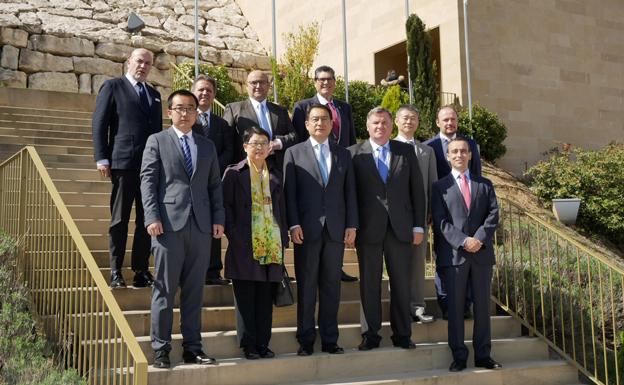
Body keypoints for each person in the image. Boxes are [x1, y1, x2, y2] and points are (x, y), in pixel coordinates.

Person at [140, 90, 225, 368]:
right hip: (167, 226)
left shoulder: (207, 145)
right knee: (164, 289)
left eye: (190, 108)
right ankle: (161, 349)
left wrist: (218, 218)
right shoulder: (157, 141)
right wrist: (151, 216)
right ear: (170, 112)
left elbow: (214, 186)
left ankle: (193, 347)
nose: (185, 113)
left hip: (200, 226)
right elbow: (148, 182)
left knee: (194, 291)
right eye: (179, 108)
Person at [283, 103, 358, 356]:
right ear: (306, 124)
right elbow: (289, 194)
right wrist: (293, 224)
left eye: (324, 119)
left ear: (331, 123)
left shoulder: (343, 154)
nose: (319, 123)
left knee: (331, 287)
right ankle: (305, 340)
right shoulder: (293, 153)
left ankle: (329, 339)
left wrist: (351, 225)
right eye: (314, 119)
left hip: (336, 230)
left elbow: (350, 194)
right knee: (306, 287)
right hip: (306, 230)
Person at [349, 107, 425, 351]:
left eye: (384, 123)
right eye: (375, 123)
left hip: (401, 228)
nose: (380, 127)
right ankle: (371, 334)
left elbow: (417, 191)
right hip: (368, 230)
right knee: (369, 284)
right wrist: (352, 225)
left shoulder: (406, 151)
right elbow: (350, 195)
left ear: (392, 127)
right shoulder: (353, 153)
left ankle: (402, 334)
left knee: (401, 284)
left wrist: (418, 226)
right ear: (367, 127)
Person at [92, 48, 162, 289]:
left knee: (147, 218)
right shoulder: (113, 86)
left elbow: (157, 133)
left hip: (150, 168)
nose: (143, 66)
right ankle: (115, 270)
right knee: (119, 219)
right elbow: (100, 124)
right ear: (129, 62)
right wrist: (102, 157)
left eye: (147, 63)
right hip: (123, 164)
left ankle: (141, 270)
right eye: (139, 61)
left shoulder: (154, 94)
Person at [430, 137, 500, 372]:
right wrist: (463, 241)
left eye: (463, 151)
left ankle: (483, 355)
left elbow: (493, 215)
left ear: (470, 155)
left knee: (482, 308)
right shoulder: (439, 187)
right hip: (454, 256)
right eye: (454, 152)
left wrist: (478, 239)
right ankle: (459, 356)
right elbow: (440, 222)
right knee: (456, 308)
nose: (459, 155)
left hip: (481, 256)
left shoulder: (486, 184)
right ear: (448, 156)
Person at [222, 126, 289, 360]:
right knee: (245, 298)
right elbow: (225, 207)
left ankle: (263, 343)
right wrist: (234, 234)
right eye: (254, 143)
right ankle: (248, 344)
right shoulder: (233, 173)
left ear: (270, 147)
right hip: (244, 244)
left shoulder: (275, 175)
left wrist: (283, 239)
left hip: (271, 245)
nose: (259, 147)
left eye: (264, 143)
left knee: (264, 298)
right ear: (245, 147)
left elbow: (282, 209)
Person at [291, 65, 358, 282]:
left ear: (335, 82)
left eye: (329, 79)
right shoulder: (303, 107)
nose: (325, 83)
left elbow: (352, 140)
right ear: (315, 82)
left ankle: (335, 269)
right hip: (311, 172)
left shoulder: (343, 107)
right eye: (321, 79)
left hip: (338, 166)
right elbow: (299, 139)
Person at [424, 105, 481, 318]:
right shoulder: (428, 146)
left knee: (467, 259)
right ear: (437, 122)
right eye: (445, 120)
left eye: (453, 119)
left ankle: (465, 305)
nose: (450, 123)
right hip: (441, 211)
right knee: (444, 259)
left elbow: (477, 177)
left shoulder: (470, 145)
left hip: (467, 210)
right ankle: (447, 304)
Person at [393, 105, 436, 324]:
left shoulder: (427, 152)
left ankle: (417, 306)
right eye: (405, 118)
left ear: (418, 123)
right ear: (397, 121)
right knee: (396, 263)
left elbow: (432, 184)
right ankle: (399, 308)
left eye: (413, 118)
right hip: (393, 218)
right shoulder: (387, 147)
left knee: (418, 264)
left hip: (419, 218)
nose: (409, 122)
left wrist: (430, 212)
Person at [191, 74, 235, 286]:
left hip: (216, 182)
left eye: (209, 90)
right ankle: (194, 269)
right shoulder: (186, 121)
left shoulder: (223, 124)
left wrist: (214, 165)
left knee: (215, 225)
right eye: (201, 89)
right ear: (193, 92)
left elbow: (230, 149)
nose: (205, 93)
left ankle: (214, 270)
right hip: (192, 181)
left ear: (214, 94)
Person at [223, 70, 297, 171]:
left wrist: (278, 143)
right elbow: (227, 142)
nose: (258, 86)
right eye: (254, 82)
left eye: (262, 82)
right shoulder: (234, 109)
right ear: (246, 86)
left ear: (268, 85)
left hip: (277, 169)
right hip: (246, 169)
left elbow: (294, 136)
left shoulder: (280, 111)